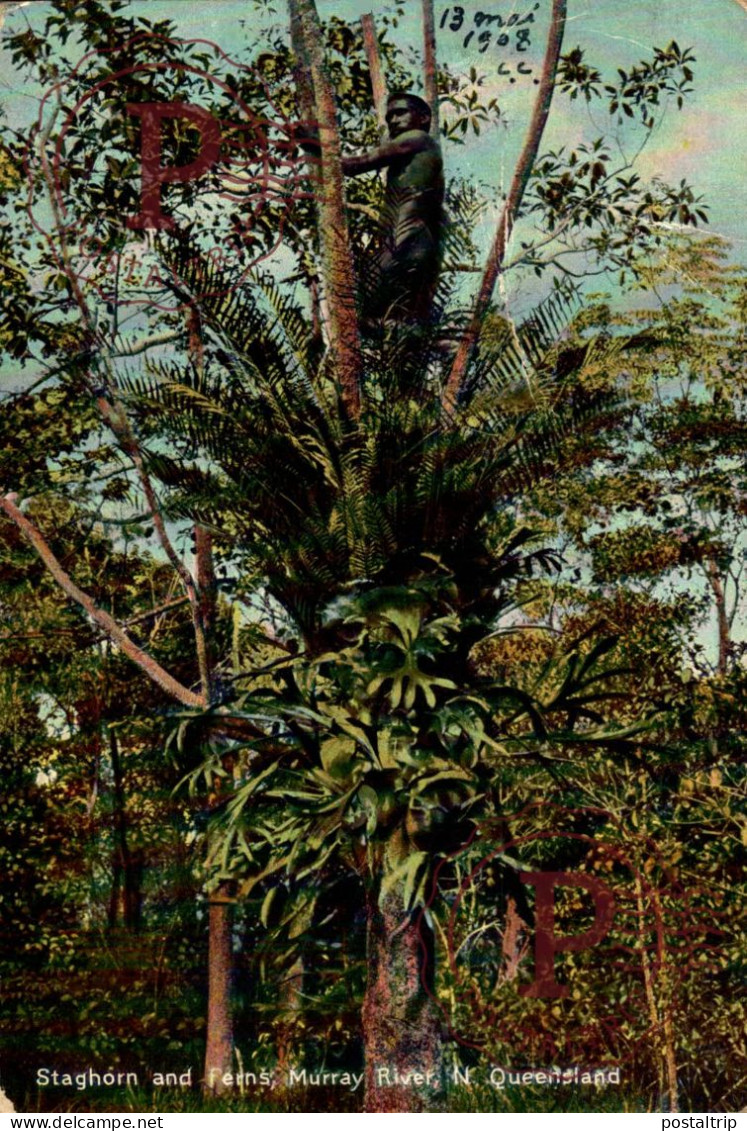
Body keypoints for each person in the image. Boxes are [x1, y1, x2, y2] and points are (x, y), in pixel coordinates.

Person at [302, 91, 444, 327]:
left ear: (423, 118)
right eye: (389, 117)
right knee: (376, 318)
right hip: (406, 241)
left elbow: (354, 166)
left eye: (400, 113)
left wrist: (313, 141)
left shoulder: (417, 138)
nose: (394, 121)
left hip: (405, 242)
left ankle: (435, 339)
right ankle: (430, 338)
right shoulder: (419, 148)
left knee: (358, 316)